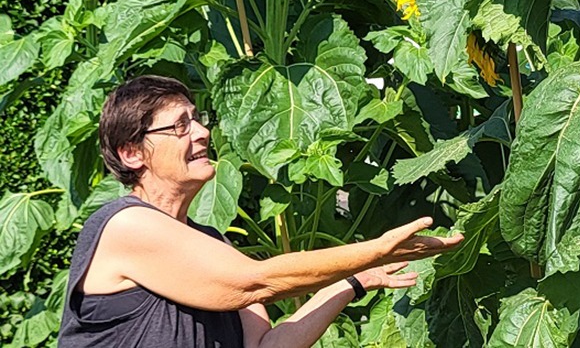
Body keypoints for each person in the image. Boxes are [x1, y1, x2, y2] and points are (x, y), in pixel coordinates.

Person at [58, 75, 464, 347]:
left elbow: (266, 346)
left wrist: (353, 281)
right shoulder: (124, 225)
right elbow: (254, 282)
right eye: (180, 126)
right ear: (131, 153)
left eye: (197, 120)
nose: (202, 133)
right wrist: (376, 249)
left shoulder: (211, 244)